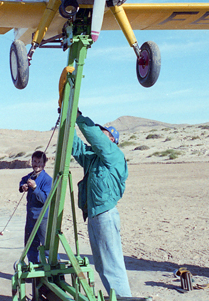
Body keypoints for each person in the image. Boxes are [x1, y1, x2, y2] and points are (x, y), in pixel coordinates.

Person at [71, 113, 131, 298]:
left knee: (112, 262)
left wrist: (78, 117)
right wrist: (67, 125)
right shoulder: (94, 158)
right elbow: (77, 147)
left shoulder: (113, 154)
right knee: (101, 263)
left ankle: (124, 297)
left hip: (105, 214)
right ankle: (116, 296)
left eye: (103, 132)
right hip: (94, 215)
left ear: (112, 139)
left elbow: (94, 137)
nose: (99, 134)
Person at [19, 150, 53, 264]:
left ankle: (56, 272)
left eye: (39, 162)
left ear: (44, 164)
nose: (36, 164)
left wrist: (35, 188)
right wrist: (22, 186)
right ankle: (34, 270)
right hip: (31, 217)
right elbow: (22, 180)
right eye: (34, 161)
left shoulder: (47, 180)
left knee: (47, 246)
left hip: (42, 218)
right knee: (30, 244)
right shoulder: (30, 176)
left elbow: (45, 199)